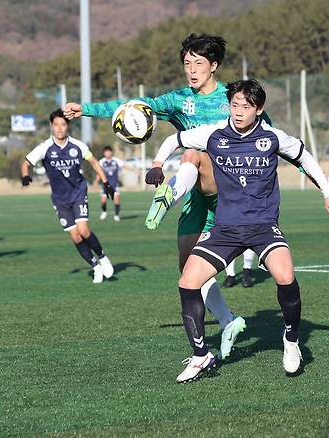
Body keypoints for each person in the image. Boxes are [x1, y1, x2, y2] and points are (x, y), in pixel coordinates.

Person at [63, 33, 247, 357]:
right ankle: (228, 320)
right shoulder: (179, 99)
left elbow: (267, 130)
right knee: (188, 268)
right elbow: (135, 107)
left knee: (191, 154)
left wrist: (301, 168)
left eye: (198, 63)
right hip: (195, 193)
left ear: (214, 65)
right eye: (187, 63)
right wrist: (87, 110)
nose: (191, 70)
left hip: (228, 188)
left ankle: (166, 198)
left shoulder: (232, 98)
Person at [151, 79, 329, 383]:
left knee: (285, 276)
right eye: (235, 105)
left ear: (259, 109)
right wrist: (157, 164)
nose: (239, 112)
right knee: (188, 282)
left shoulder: (272, 138)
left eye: (246, 106)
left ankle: (291, 342)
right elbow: (175, 139)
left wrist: (328, 192)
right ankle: (202, 356)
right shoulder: (214, 135)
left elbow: (305, 157)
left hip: (263, 226)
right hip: (226, 228)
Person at [21, 109, 115, 284]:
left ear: (67, 127)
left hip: (78, 193)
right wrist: (25, 175)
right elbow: (26, 163)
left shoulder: (78, 146)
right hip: (59, 199)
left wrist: (106, 182)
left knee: (84, 231)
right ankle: (95, 266)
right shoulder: (44, 147)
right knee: (75, 236)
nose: (59, 128)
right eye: (56, 125)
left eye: (63, 125)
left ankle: (102, 257)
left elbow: (94, 162)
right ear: (51, 126)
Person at [95, 146, 123, 221]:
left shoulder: (116, 161)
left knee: (116, 199)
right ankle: (104, 212)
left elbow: (125, 166)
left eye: (109, 151)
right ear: (104, 153)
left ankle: (117, 215)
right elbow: (99, 173)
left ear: (112, 152)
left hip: (114, 184)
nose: (108, 153)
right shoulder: (101, 162)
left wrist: (137, 171)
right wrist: (96, 182)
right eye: (106, 152)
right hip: (105, 185)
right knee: (103, 200)